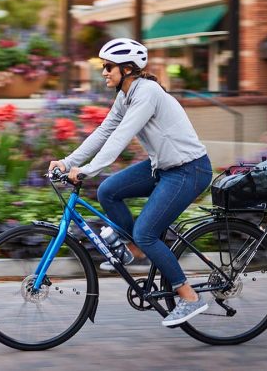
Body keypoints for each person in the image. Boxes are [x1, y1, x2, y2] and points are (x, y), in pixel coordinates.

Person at [48, 38, 213, 327]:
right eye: (103, 66)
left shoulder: (147, 93)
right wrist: (68, 162)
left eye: (108, 66)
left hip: (189, 170)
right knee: (108, 190)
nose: (103, 72)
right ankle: (132, 251)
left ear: (127, 69)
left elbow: (121, 137)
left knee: (147, 232)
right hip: (162, 167)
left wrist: (87, 170)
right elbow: (103, 133)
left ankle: (188, 297)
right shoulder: (126, 95)